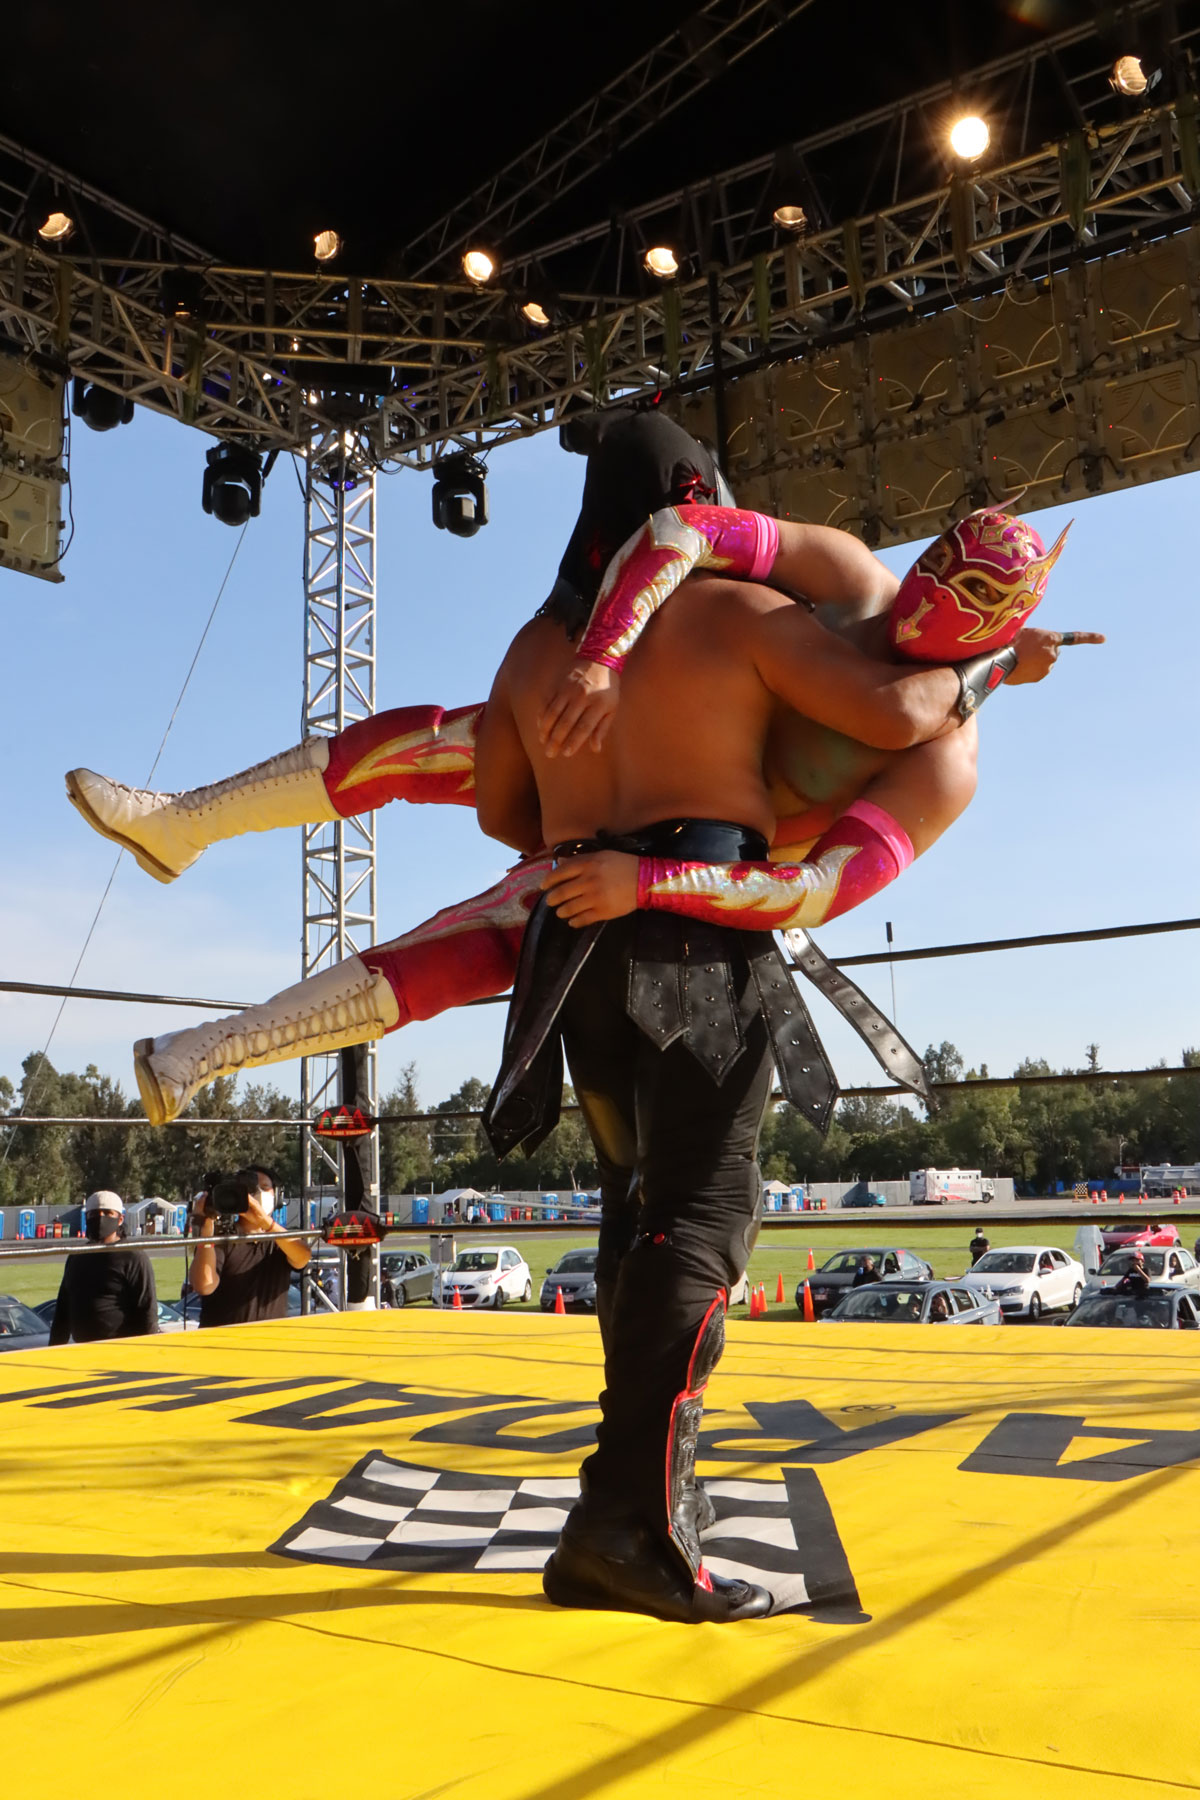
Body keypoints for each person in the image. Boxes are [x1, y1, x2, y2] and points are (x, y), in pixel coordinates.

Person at [189, 1167, 310, 1327]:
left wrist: (266, 1223)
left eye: (265, 1187)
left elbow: (302, 1257)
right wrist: (206, 1231)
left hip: (272, 1339)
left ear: (278, 1196)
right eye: (250, 1189)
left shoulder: (280, 1239)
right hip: (223, 1339)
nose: (257, 1195)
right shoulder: (222, 1238)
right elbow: (204, 1286)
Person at [47, 1191, 158, 1343]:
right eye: (94, 1214)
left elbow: (147, 1310)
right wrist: (55, 1346)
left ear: (120, 1219)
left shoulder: (133, 1256)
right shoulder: (77, 1255)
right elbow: (63, 1307)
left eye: (107, 1213)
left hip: (120, 1349)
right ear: (87, 1218)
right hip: (81, 1349)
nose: (100, 1218)